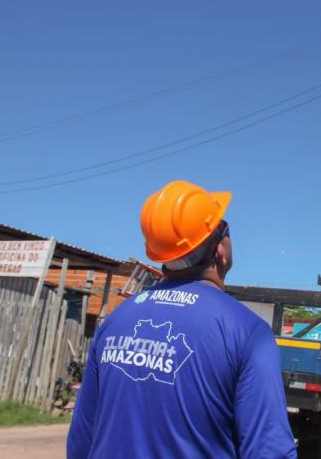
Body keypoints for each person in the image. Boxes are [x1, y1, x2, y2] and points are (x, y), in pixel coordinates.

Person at [67, 180, 296, 459]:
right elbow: (270, 452)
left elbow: (81, 442)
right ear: (219, 251)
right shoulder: (247, 333)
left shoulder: (115, 322)